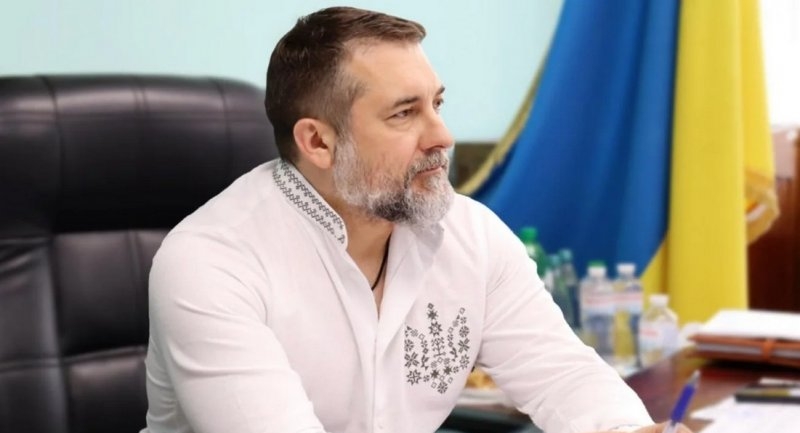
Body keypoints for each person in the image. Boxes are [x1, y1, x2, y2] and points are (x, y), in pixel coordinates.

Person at [142, 6, 692, 433]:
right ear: (318, 142)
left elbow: (561, 373)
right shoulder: (211, 262)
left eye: (437, 104)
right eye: (405, 113)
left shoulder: (470, 233)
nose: (441, 136)